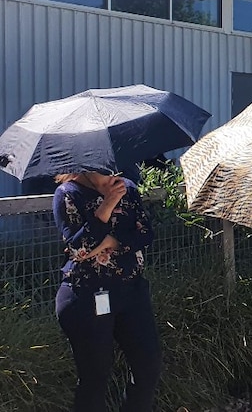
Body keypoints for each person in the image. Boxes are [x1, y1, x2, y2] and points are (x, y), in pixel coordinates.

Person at [52, 171, 161, 412]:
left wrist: (111, 241)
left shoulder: (128, 188)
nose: (111, 171)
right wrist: (108, 204)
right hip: (85, 295)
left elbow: (145, 234)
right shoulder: (68, 194)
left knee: (148, 366)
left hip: (131, 290)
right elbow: (79, 249)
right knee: (95, 378)